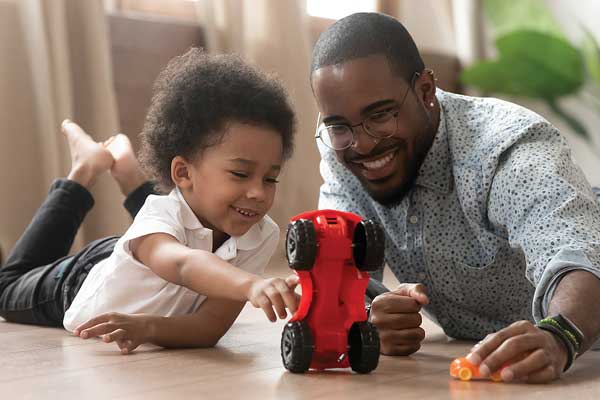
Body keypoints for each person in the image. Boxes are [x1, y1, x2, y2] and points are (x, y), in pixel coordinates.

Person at [310, 12, 600, 383]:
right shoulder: (345, 151)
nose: (363, 143)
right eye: (339, 126)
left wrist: (561, 336)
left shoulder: (507, 149)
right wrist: (368, 316)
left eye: (381, 115)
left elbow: (579, 252)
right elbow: (338, 275)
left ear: (426, 91)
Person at [0, 49, 299, 354]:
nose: (258, 193)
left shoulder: (261, 234)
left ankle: (130, 176)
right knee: (6, 288)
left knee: (178, 217)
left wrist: (149, 326)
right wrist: (250, 284)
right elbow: (182, 264)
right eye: (240, 173)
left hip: (147, 250)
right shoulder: (164, 219)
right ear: (182, 171)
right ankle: (85, 168)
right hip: (82, 279)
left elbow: (208, 327)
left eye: (270, 178)